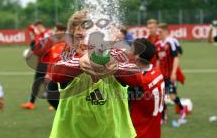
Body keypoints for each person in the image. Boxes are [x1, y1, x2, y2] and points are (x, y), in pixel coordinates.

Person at [49, 9, 136, 138]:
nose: (85, 42)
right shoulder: (67, 56)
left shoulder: (116, 55)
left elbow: (137, 78)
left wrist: (116, 68)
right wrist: (79, 63)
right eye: (79, 36)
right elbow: (56, 73)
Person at [116, 38, 165, 138]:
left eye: (131, 49)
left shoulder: (140, 83)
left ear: (137, 56)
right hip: (153, 131)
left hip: (140, 133)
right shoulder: (156, 71)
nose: (128, 51)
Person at [156, 23, 186, 124]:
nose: (157, 33)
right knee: (161, 95)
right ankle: (163, 117)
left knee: (172, 96)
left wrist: (173, 73)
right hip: (161, 76)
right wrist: (156, 72)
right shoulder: (158, 44)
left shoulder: (171, 42)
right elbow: (158, 60)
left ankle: (182, 110)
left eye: (159, 31)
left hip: (170, 75)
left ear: (164, 31)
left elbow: (177, 56)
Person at [21, 21, 51, 110]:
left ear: (41, 26)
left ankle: (53, 102)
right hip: (41, 63)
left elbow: (45, 47)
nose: (37, 30)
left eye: (38, 28)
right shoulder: (40, 35)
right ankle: (31, 103)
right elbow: (31, 28)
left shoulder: (47, 34)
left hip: (49, 63)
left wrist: (32, 51)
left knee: (49, 83)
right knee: (37, 83)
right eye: (36, 28)